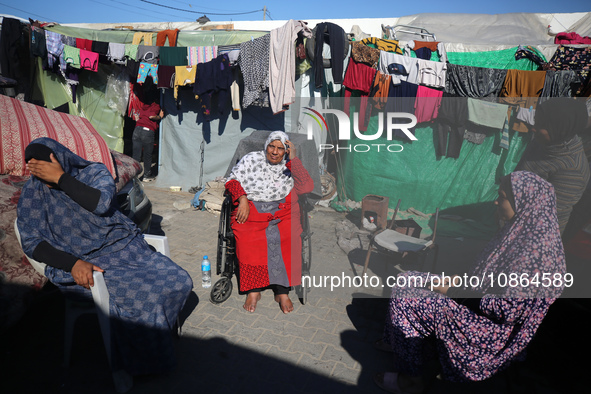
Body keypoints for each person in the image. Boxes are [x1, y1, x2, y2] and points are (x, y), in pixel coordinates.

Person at [17, 138, 193, 391]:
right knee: (142, 299)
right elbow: (31, 241)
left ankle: (152, 341)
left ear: (60, 157)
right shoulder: (34, 193)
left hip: (126, 248)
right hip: (87, 261)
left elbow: (99, 204)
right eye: (32, 166)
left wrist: (61, 178)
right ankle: (138, 364)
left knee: (180, 280)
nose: (38, 170)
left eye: (43, 164)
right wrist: (73, 262)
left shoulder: (93, 172)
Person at [374, 171, 566, 393]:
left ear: (522, 201)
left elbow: (508, 310)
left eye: (501, 196)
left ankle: (411, 380)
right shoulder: (521, 229)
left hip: (489, 327)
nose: (496, 201)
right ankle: (399, 342)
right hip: (475, 296)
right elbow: (488, 271)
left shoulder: (536, 252)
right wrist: (461, 280)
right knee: (405, 279)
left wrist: (453, 290)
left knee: (408, 300)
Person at [225, 131, 314, 313]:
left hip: (283, 212)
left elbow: (306, 187)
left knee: (290, 237)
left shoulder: (289, 166)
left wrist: (294, 159)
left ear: (286, 150)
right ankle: (254, 290)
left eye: (281, 148)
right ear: (266, 146)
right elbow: (232, 180)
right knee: (248, 239)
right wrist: (242, 199)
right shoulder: (252, 159)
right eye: (272, 146)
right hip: (253, 209)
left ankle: (282, 291)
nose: (275, 152)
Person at [516, 97, 590, 235]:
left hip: (534, 235)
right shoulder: (544, 142)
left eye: (541, 125)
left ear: (561, 129)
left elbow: (549, 218)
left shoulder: (572, 170)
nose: (533, 128)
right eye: (535, 122)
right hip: (513, 221)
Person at [132, 78, 163, 182]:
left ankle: (134, 177)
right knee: (147, 155)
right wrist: (159, 116)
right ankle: (146, 175)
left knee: (136, 155)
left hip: (137, 130)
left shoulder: (143, 106)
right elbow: (152, 117)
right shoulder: (156, 106)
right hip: (147, 131)